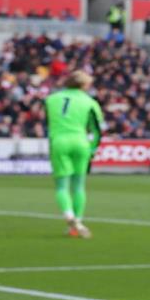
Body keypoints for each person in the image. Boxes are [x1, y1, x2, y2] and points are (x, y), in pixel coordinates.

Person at [45, 70, 104, 238]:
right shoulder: (90, 102)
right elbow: (97, 130)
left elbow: (49, 123)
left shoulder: (51, 99)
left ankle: (69, 215)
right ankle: (77, 222)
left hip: (59, 142)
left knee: (61, 186)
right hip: (80, 142)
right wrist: (93, 149)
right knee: (78, 185)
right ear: (84, 85)